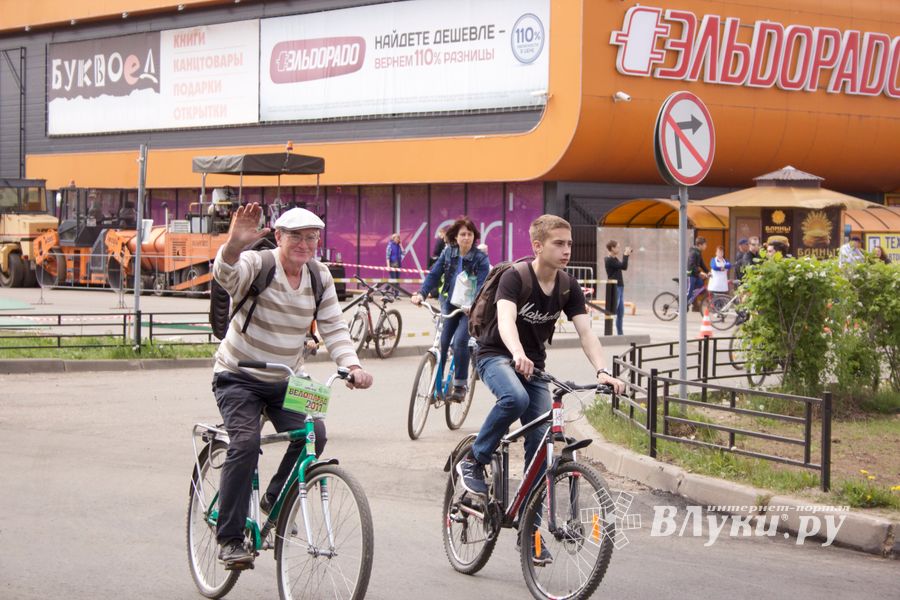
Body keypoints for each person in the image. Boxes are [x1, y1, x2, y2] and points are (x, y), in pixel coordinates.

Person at [211, 204, 374, 569]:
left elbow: (333, 326)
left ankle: (274, 499)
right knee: (246, 443)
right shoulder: (258, 264)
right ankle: (230, 538)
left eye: (311, 237)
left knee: (313, 432)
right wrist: (233, 246)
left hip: (285, 378)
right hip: (238, 375)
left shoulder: (319, 276)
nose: (304, 244)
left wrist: (352, 365)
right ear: (279, 237)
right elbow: (226, 275)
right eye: (296, 236)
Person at [456, 215, 627, 527]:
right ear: (537, 246)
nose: (567, 250)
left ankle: (530, 533)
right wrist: (517, 353)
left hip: (534, 366)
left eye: (569, 244)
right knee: (514, 398)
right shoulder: (516, 277)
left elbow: (587, 334)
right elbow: (506, 320)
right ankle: (474, 459)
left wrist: (603, 371)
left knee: (541, 443)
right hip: (495, 355)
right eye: (558, 243)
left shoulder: (567, 286)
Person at [411, 216, 490, 400]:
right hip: (449, 302)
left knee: (460, 341)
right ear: (455, 237)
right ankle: (435, 386)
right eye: (463, 234)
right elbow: (434, 274)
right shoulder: (448, 253)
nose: (466, 238)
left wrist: (474, 304)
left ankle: (460, 385)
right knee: (442, 343)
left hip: (469, 307)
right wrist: (422, 293)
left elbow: (482, 285)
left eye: (470, 234)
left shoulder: (480, 259)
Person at [604, 240, 631, 335]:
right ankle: (609, 332)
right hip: (615, 287)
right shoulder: (609, 260)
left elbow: (622, 266)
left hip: (620, 287)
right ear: (612, 248)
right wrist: (626, 255)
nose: (619, 249)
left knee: (620, 313)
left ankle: (620, 334)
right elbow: (624, 266)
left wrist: (626, 255)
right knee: (613, 310)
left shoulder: (614, 259)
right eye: (617, 247)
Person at [687, 236, 709, 311]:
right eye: (705, 244)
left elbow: (701, 263)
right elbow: (691, 265)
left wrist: (708, 271)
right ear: (699, 245)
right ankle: (683, 306)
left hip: (695, 274)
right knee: (689, 293)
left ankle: (694, 304)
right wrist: (700, 272)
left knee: (701, 287)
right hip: (690, 275)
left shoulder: (698, 252)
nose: (706, 246)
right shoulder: (693, 252)